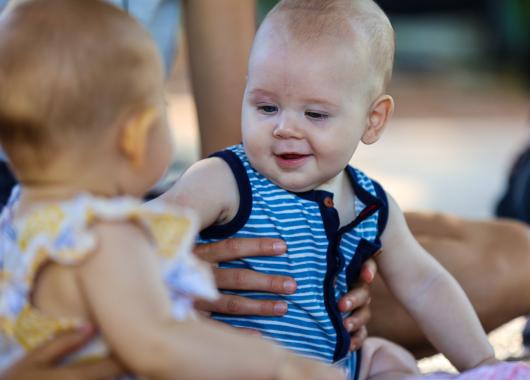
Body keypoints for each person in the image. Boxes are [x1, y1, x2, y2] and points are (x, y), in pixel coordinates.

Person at [0, 1, 345, 379]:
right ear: (135, 136)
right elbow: (161, 344)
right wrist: (281, 366)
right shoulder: (103, 235)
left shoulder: (21, 218)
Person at [165, 0, 498, 378]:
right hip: (243, 365)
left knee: (385, 358)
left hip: (337, 366)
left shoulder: (371, 204)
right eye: (266, 107)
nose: (285, 128)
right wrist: (176, 272)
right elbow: (145, 226)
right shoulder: (226, 179)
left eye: (315, 114)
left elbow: (425, 284)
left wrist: (482, 362)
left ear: (373, 120)